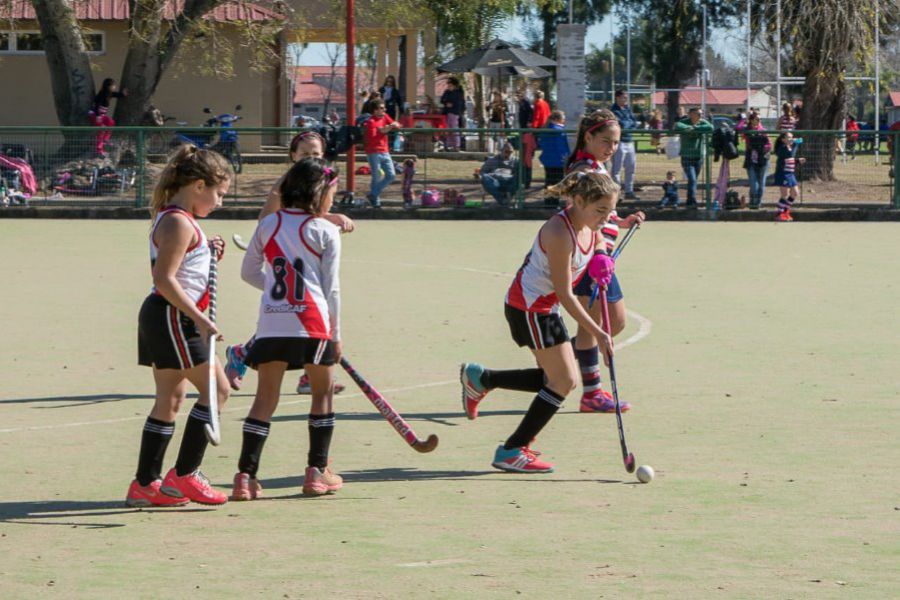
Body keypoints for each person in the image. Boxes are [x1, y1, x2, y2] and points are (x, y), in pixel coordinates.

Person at [459, 171, 618, 473]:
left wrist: (600, 255)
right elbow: (565, 294)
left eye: (610, 211)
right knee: (564, 380)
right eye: (600, 211)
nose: (605, 218)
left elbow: (596, 235)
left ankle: (483, 378)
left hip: (544, 307)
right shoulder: (559, 232)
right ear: (579, 201)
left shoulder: (586, 222)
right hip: (530, 309)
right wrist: (598, 333)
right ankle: (511, 450)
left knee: (556, 378)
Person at [127, 145, 232, 508]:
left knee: (170, 399)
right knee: (217, 390)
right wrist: (201, 320)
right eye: (219, 194)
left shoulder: (184, 221)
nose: (220, 202)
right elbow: (165, 279)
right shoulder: (176, 221)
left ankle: (145, 484)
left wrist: (207, 251)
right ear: (199, 185)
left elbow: (186, 263)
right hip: (173, 317)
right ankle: (186, 474)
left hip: (166, 317)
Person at [234, 158, 344, 500]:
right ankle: (316, 471)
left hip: (271, 324)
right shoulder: (326, 230)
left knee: (265, 398)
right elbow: (332, 288)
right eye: (332, 193)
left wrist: (275, 291)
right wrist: (336, 336)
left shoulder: (268, 224)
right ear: (319, 193)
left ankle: (244, 477)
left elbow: (248, 272)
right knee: (322, 393)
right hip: (313, 323)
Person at [224, 131, 354, 395]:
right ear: (293, 156)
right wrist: (329, 219)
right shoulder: (288, 183)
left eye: (316, 154)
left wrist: (329, 217)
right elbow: (273, 217)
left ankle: (306, 375)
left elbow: (313, 214)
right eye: (305, 154)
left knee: (302, 321)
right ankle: (242, 353)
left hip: (305, 261)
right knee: (288, 322)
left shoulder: (324, 178)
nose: (311, 158)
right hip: (286, 259)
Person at [564, 109, 644, 412]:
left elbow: (602, 211)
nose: (611, 148)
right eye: (606, 141)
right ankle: (592, 394)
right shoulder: (582, 172)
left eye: (615, 143)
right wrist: (597, 250)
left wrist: (621, 222)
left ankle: (557, 363)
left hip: (603, 258)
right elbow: (581, 215)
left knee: (617, 321)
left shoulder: (598, 167)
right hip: (587, 258)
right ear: (589, 137)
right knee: (593, 326)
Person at [362, 99, 401, 208]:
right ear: (375, 110)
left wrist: (392, 125)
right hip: (373, 152)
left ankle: (373, 194)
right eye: (382, 108)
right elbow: (374, 136)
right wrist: (384, 129)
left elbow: (396, 124)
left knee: (391, 175)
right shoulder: (370, 122)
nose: (385, 109)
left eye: (384, 108)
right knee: (376, 176)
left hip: (385, 151)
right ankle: (375, 200)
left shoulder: (385, 117)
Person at [674, 107, 714, 208]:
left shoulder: (702, 122)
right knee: (692, 179)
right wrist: (689, 128)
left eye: (701, 114)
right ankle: (692, 202)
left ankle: (689, 201)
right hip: (687, 156)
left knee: (693, 180)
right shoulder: (684, 121)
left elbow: (710, 127)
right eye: (698, 114)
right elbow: (678, 126)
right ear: (691, 114)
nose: (700, 116)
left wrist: (695, 128)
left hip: (698, 157)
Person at [737, 112, 772, 208]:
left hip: (763, 159)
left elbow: (769, 145)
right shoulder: (746, 130)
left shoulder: (763, 131)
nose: (759, 121)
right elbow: (738, 128)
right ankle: (753, 201)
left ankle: (757, 202)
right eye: (757, 119)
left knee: (761, 183)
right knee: (753, 183)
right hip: (751, 159)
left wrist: (762, 149)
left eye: (760, 119)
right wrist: (744, 119)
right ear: (751, 120)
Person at [610, 89, 640, 200]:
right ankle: (616, 193)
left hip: (630, 141)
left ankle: (629, 191)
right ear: (617, 97)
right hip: (619, 142)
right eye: (624, 97)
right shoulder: (613, 111)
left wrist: (628, 124)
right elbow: (621, 125)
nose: (626, 99)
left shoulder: (628, 109)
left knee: (631, 167)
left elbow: (634, 123)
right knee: (616, 169)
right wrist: (629, 124)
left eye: (626, 97)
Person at [538, 110, 570, 207]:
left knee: (549, 180)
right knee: (557, 181)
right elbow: (562, 147)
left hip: (548, 160)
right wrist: (567, 157)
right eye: (563, 118)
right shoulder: (559, 131)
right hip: (558, 160)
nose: (564, 120)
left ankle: (548, 201)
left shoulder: (545, 129)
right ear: (558, 119)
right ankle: (554, 202)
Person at [773, 131, 805, 222]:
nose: (791, 139)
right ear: (783, 140)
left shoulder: (789, 147)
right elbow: (789, 155)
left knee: (795, 193)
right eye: (789, 137)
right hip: (783, 173)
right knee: (784, 194)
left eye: (792, 137)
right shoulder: (782, 148)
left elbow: (790, 159)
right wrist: (796, 144)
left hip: (790, 173)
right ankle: (779, 214)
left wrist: (798, 160)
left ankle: (785, 211)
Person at [91, 78, 127, 157]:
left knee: (111, 122)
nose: (114, 87)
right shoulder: (102, 93)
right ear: (108, 86)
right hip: (95, 114)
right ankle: (99, 150)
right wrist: (97, 116)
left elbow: (117, 95)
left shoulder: (109, 93)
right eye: (113, 85)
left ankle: (105, 139)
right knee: (101, 129)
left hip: (102, 115)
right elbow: (96, 105)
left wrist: (123, 94)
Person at [439, 77, 465, 151]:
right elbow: (442, 100)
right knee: (447, 129)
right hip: (447, 112)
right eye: (448, 85)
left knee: (454, 129)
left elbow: (459, 103)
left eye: (450, 85)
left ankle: (456, 145)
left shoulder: (458, 92)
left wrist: (452, 104)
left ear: (454, 85)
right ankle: (448, 145)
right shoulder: (447, 92)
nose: (449, 87)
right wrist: (446, 103)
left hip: (454, 112)